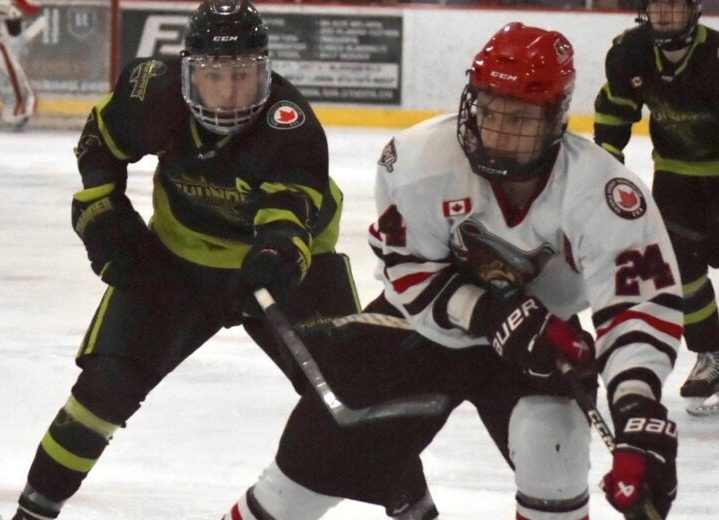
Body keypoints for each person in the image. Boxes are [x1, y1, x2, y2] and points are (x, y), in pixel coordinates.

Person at [226, 22, 683, 519]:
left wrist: (639, 413)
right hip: (420, 329)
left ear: (556, 118)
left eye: (522, 118)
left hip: (539, 339)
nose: (500, 131)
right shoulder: (421, 161)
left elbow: (637, 306)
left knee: (551, 442)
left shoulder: (603, 193)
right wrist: (487, 314)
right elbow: (405, 267)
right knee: (306, 470)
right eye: (490, 109)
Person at [7, 0, 437, 518]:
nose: (230, 93)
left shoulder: (292, 126)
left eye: (243, 76)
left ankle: (416, 511)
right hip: (175, 260)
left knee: (352, 399)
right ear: (187, 73)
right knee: (103, 390)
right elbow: (100, 141)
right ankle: (32, 512)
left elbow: (287, 225)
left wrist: (272, 262)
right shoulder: (152, 91)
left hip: (292, 270)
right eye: (214, 76)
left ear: (266, 72)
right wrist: (103, 208)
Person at [593, 0, 719, 417]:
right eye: (657, 7)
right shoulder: (628, 53)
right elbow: (615, 113)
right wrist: (600, 174)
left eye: (674, 7)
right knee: (681, 270)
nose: (665, 16)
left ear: (693, 12)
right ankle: (711, 358)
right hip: (676, 175)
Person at [0, 0, 39, 128]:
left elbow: (16, 26)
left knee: (7, 75)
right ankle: (19, 108)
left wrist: (7, 12)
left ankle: (20, 108)